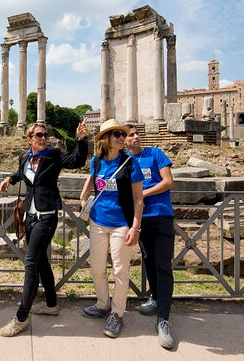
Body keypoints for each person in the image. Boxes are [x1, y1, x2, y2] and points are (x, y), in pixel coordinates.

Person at [0, 120, 89, 337]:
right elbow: (23, 173)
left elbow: (77, 161)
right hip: (29, 214)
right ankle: (50, 304)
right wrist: (10, 178)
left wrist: (82, 140)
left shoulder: (53, 156)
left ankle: (21, 317)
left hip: (47, 216)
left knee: (30, 262)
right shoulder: (25, 157)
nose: (43, 138)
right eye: (38, 135)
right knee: (40, 261)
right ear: (30, 139)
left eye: (45, 135)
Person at [79, 118, 144, 338]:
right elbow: (91, 179)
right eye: (116, 134)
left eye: (122, 134)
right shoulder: (97, 161)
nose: (121, 138)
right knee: (96, 266)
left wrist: (135, 227)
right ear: (106, 138)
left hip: (121, 224)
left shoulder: (130, 163)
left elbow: (138, 199)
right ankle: (102, 304)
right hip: (97, 221)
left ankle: (116, 313)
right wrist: (83, 197)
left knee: (120, 270)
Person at [126, 125, 175, 349]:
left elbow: (168, 182)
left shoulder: (155, 153)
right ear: (123, 141)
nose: (136, 137)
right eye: (130, 135)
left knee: (163, 265)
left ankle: (164, 319)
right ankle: (155, 297)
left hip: (161, 215)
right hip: (140, 218)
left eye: (137, 134)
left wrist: (141, 194)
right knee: (148, 259)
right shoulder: (124, 160)